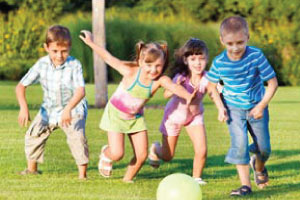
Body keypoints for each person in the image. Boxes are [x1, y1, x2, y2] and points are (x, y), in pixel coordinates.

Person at [80, 30, 195, 183]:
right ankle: (106, 154)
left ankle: (127, 180)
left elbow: (174, 87)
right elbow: (108, 57)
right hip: (115, 115)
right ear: (141, 62)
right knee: (117, 153)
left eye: (158, 66)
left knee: (141, 155)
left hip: (135, 118)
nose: (153, 70)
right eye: (149, 65)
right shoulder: (129, 72)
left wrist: (188, 96)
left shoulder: (160, 80)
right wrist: (90, 43)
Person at [206, 16, 278, 196]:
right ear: (222, 41)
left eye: (240, 42)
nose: (235, 48)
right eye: (230, 43)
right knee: (240, 144)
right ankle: (245, 186)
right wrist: (220, 107)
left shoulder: (256, 55)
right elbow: (211, 86)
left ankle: (259, 166)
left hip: (256, 107)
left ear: (248, 37)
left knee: (264, 148)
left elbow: (273, 82)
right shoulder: (219, 62)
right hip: (233, 109)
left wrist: (261, 106)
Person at [16, 25, 89, 180]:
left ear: (69, 48)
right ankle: (32, 170)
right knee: (34, 133)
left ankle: (82, 176)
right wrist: (24, 107)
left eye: (64, 51)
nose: (59, 55)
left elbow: (80, 91)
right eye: (55, 51)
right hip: (49, 109)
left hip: (73, 108)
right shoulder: (41, 64)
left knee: (77, 137)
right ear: (46, 47)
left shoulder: (74, 65)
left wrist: (68, 109)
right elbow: (21, 86)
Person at [148, 38, 211, 185]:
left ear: (207, 59)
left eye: (201, 59)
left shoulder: (207, 78)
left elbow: (215, 90)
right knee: (168, 156)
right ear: (185, 60)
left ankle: (196, 178)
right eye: (193, 59)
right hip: (173, 117)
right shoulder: (181, 77)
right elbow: (166, 95)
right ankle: (156, 149)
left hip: (194, 117)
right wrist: (174, 87)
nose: (197, 63)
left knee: (202, 150)